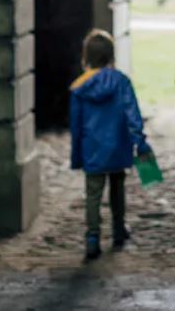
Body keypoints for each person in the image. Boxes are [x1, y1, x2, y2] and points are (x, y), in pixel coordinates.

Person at [70, 29, 153, 260]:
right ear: (110, 54)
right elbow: (132, 115)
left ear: (87, 55)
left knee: (93, 194)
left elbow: (76, 126)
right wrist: (140, 142)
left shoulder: (79, 87)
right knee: (118, 188)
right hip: (118, 146)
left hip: (92, 148)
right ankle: (118, 228)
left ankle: (92, 237)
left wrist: (77, 155)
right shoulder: (122, 81)